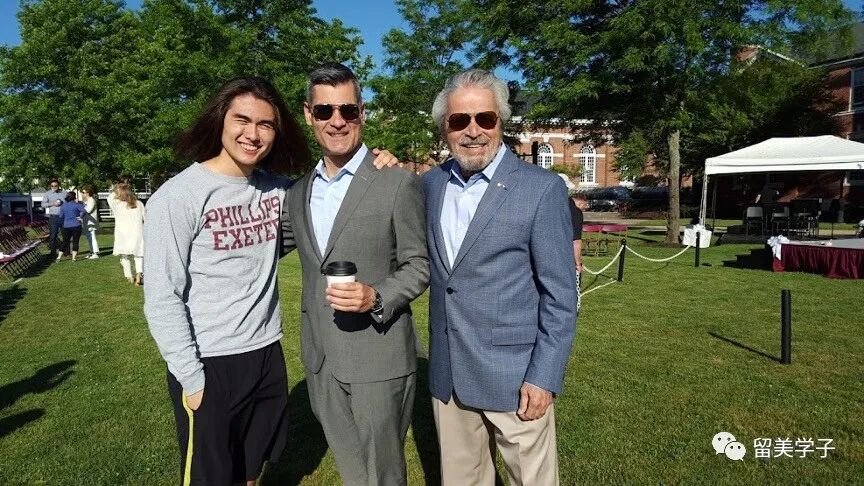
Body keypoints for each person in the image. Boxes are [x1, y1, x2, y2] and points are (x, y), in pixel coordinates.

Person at [143, 77, 310, 486]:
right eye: (242, 120)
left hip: (266, 352)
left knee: (251, 471)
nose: (253, 134)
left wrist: (377, 163)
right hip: (209, 360)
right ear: (220, 119)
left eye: (265, 124)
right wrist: (192, 378)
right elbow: (162, 295)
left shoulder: (276, 190)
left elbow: (330, 191)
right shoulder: (178, 196)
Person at [423, 69, 578, 485]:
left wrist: (543, 376)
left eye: (485, 118)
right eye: (460, 120)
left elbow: (561, 296)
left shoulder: (541, 189)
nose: (473, 131)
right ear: (444, 127)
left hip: (516, 379)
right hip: (449, 377)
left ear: (501, 122)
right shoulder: (430, 185)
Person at [282, 63, 428, 486]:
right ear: (308, 114)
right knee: (352, 472)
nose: (337, 121)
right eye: (324, 111)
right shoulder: (298, 192)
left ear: (362, 112)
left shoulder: (396, 181)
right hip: (320, 358)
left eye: (347, 109)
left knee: (382, 475)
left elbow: (419, 264)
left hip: (378, 358)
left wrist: (376, 296)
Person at [108, 181, 145, 285]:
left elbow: (110, 197)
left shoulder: (117, 205)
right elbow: (145, 218)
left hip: (123, 234)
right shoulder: (139, 204)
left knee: (124, 256)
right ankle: (139, 274)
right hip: (137, 233)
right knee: (138, 254)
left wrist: (119, 188)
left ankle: (129, 276)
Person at [56, 191, 86, 261]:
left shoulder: (63, 206)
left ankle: (59, 257)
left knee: (65, 241)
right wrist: (80, 216)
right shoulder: (77, 205)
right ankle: (73, 258)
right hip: (76, 225)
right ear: (74, 197)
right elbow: (84, 211)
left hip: (66, 226)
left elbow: (61, 216)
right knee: (75, 241)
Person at [42, 178, 64, 257]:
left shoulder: (64, 193)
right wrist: (52, 203)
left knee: (66, 235)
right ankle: (53, 253)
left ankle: (66, 252)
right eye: (52, 186)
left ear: (58, 185)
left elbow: (68, 202)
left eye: (56, 186)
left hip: (63, 217)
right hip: (53, 217)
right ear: (50, 186)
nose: (54, 187)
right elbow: (43, 204)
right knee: (53, 236)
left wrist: (63, 203)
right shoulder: (47, 194)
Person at [570, 192, 588, 273]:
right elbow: (576, 241)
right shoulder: (576, 212)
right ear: (581, 202)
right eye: (585, 205)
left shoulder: (559, 203)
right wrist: (578, 263)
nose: (586, 207)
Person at [80, 186, 100, 259]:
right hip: (87, 221)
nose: (82, 194)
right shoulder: (87, 201)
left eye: (83, 192)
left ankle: (95, 253)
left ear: (88, 193)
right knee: (89, 237)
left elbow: (88, 210)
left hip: (91, 222)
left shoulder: (91, 200)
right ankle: (92, 252)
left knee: (92, 237)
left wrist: (80, 211)